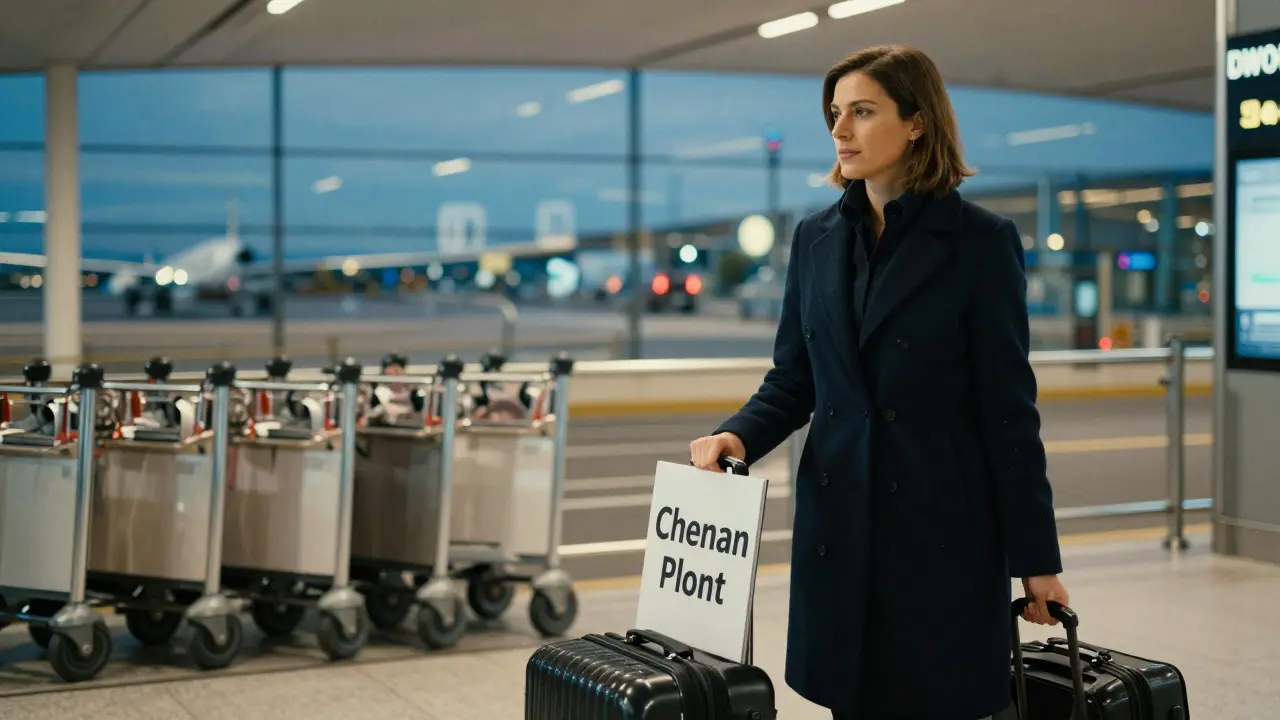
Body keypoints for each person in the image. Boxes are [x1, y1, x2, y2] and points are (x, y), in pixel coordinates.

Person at [689, 44, 1069, 720]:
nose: (840, 130)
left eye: (862, 112)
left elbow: (1009, 414)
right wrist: (737, 434)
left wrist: (1035, 559)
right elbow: (795, 377)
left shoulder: (979, 243)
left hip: (940, 537)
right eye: (836, 114)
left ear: (917, 121)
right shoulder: (814, 239)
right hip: (838, 528)